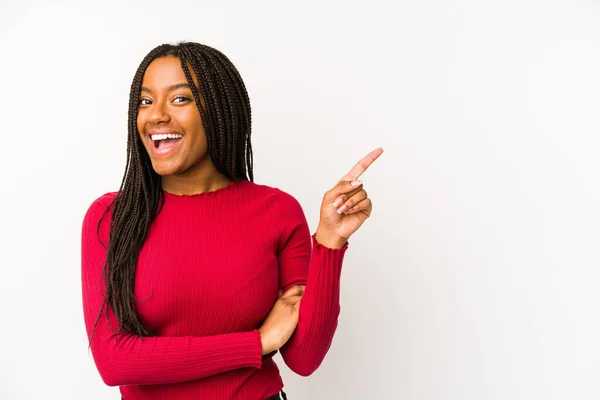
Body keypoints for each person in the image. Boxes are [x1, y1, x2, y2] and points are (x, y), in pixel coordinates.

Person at [80, 41, 383, 400]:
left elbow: (304, 358)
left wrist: (330, 242)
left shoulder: (277, 211)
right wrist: (255, 344)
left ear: (220, 111)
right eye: (145, 101)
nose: (156, 115)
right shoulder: (112, 218)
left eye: (179, 99)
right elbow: (114, 361)